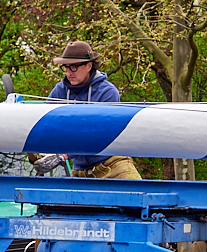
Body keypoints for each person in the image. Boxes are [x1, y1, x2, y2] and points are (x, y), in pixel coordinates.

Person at [47, 41, 141, 179]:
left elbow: (100, 133)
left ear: (89, 66)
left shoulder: (107, 92)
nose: (68, 72)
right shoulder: (59, 91)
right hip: (81, 171)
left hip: (113, 164)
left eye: (73, 67)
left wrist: (66, 154)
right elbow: (45, 122)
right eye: (65, 67)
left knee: (136, 191)